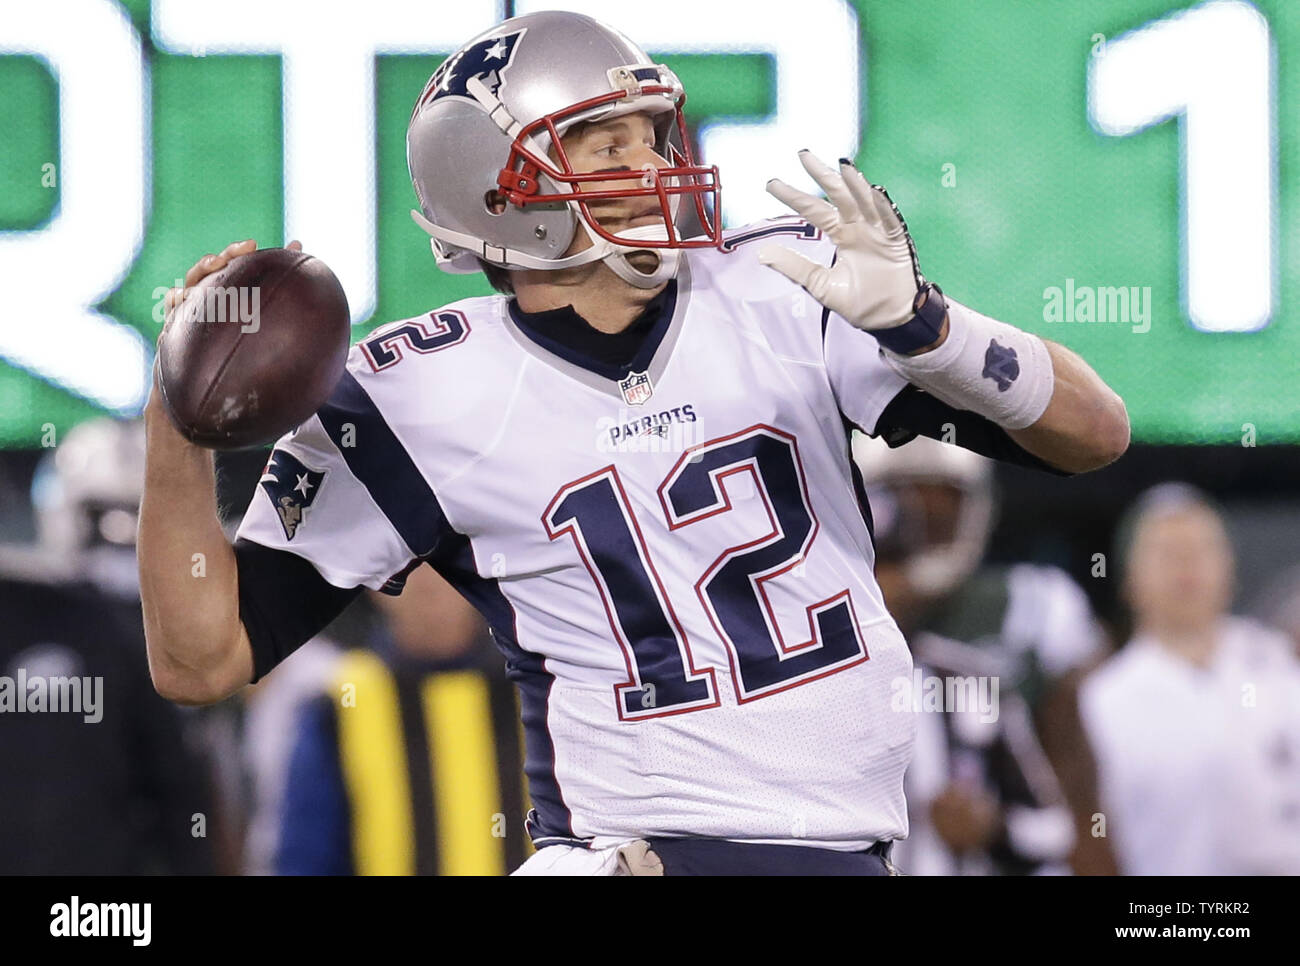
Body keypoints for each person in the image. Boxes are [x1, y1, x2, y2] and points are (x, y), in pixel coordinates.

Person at [138, 11, 1128, 875]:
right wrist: (175, 426)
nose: (650, 167)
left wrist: (929, 326)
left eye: (649, 136)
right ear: (499, 190)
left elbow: (1095, 433)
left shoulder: (784, 289)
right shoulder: (414, 392)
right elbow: (202, 659)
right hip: (631, 851)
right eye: (602, 146)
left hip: (839, 852)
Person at [855, 433, 1097, 875]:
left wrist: (990, 825)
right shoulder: (807, 650)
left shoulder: (1025, 611)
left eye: (940, 503)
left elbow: (1069, 805)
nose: (922, 522)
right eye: (903, 504)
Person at [0, 419, 215, 874]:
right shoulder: (36, 619)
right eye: (109, 523)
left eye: (141, 525)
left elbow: (181, 798)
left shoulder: (180, 648)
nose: (125, 548)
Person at [1079, 484, 1300, 875]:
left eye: (1201, 549)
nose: (1187, 565)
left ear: (1230, 566)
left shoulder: (1281, 666)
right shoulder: (1101, 702)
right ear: (1129, 577)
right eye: (1166, 552)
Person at [275, 563, 531, 876]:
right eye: (413, 563)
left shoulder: (540, 693)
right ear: (375, 583)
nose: (430, 584)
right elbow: (305, 859)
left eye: (444, 560)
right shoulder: (339, 705)